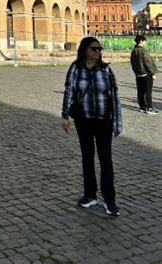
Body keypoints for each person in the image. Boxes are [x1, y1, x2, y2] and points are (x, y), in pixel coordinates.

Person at [61, 37, 122, 217]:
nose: (97, 51)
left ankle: (110, 201)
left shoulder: (106, 70)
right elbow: (69, 92)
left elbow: (115, 98)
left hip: (104, 120)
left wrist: (117, 123)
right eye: (94, 48)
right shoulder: (75, 69)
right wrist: (65, 116)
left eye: (99, 49)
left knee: (106, 160)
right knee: (87, 157)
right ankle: (90, 195)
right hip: (84, 120)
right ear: (85, 50)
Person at [130, 35, 158, 114]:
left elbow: (132, 63)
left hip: (138, 74)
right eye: (145, 41)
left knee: (140, 92)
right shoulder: (143, 51)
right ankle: (149, 108)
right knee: (148, 92)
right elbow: (148, 63)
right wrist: (152, 73)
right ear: (141, 41)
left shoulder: (134, 51)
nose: (146, 43)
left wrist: (136, 72)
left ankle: (142, 107)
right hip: (146, 74)